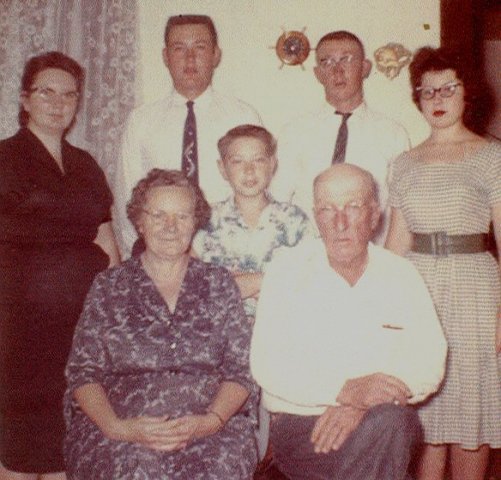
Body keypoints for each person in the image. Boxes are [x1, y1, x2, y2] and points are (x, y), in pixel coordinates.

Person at [251, 164, 447, 480]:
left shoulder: (401, 274)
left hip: (382, 423)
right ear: (316, 216)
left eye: (353, 207)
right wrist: (344, 391)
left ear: (374, 215)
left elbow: (429, 361)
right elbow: (267, 364)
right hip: (304, 428)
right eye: (328, 209)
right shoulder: (286, 272)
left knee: (393, 423)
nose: (340, 222)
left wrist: (362, 405)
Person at [64, 169, 258, 479]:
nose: (170, 227)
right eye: (158, 216)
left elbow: (241, 370)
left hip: (210, 428)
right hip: (120, 428)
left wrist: (211, 421)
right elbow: (83, 373)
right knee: (131, 470)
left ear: (195, 222)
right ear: (139, 222)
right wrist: (119, 428)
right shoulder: (109, 286)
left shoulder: (219, 284)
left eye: (182, 217)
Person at [0, 51, 119, 480]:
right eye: (46, 92)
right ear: (25, 99)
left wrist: (111, 308)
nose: (58, 102)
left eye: (69, 94)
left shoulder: (86, 164)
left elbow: (105, 237)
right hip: (20, 326)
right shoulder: (5, 158)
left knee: (68, 442)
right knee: (19, 447)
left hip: (79, 324)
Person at [385, 47, 501, 480]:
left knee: (470, 413)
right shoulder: (404, 162)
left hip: (474, 287)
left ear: (467, 93)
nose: (436, 97)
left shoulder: (492, 156)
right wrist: (381, 310)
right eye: (427, 89)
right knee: (427, 415)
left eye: (448, 87)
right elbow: (396, 243)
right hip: (419, 289)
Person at [192, 124, 312, 459]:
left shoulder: (295, 220)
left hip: (279, 337)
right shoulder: (205, 221)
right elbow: (203, 290)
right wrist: (272, 276)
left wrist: (249, 281)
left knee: (280, 442)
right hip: (222, 344)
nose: (248, 171)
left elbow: (305, 283)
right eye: (237, 162)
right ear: (222, 168)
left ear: (273, 164)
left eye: (258, 160)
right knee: (229, 436)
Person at [114, 14, 262, 258]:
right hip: (161, 250)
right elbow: (127, 200)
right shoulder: (141, 121)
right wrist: (140, 255)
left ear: (216, 55)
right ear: (165, 57)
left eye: (200, 48)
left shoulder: (242, 116)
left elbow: (258, 192)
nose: (190, 58)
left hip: (227, 251)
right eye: (179, 48)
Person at [272, 30, 409, 242]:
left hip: (370, 257)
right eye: (327, 62)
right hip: (308, 256)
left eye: (346, 59)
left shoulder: (392, 134)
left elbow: (399, 212)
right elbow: (277, 200)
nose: (337, 70)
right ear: (318, 74)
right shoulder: (295, 132)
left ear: (365, 68)